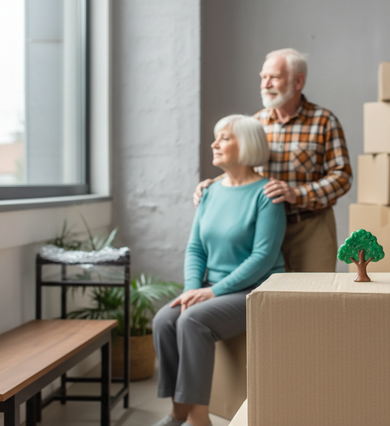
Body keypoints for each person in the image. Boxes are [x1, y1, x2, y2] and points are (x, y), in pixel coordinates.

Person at [151, 115, 286, 426]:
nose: (215, 144)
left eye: (224, 138)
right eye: (216, 137)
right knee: (163, 321)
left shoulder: (268, 195)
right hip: (212, 286)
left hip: (256, 288)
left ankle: (199, 418)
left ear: (247, 145)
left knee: (192, 320)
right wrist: (191, 288)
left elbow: (263, 257)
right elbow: (196, 248)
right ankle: (178, 411)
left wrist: (211, 292)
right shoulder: (209, 191)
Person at [194, 48, 352, 273]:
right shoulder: (256, 122)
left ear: (298, 81)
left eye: (274, 77)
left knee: (312, 299)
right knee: (268, 300)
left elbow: (343, 177)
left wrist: (297, 194)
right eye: (263, 77)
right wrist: (213, 184)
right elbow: (243, 166)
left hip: (310, 227)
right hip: (261, 229)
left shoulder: (324, 121)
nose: (265, 84)